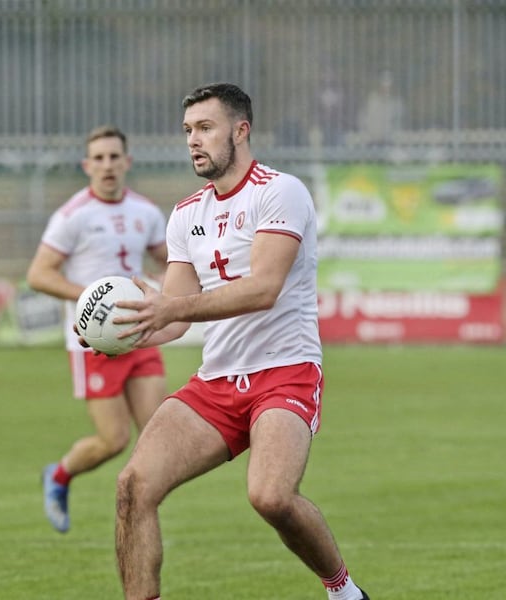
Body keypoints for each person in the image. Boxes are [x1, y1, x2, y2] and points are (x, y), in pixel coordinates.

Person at [109, 84, 369, 600]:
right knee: (133, 487)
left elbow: (264, 289)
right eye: (187, 131)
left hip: (285, 371)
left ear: (241, 130)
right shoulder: (186, 214)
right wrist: (124, 332)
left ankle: (343, 592)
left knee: (270, 496)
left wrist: (169, 305)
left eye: (205, 128)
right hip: (217, 382)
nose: (193, 142)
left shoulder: (280, 191)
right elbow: (176, 319)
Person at [26, 124, 169, 534]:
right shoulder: (72, 216)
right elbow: (39, 274)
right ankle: (60, 474)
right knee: (113, 440)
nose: (107, 165)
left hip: (140, 331)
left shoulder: (145, 212)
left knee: (159, 430)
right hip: (95, 343)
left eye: (114, 157)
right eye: (99, 158)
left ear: (127, 162)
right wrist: (89, 298)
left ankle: (141, 509)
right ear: (87, 166)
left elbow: (169, 262)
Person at [357, 69, 404, 146]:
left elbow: (399, 123)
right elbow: (362, 118)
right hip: (370, 140)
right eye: (384, 84)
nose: (386, 88)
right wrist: (366, 135)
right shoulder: (371, 99)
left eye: (389, 85)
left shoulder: (397, 102)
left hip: (390, 141)